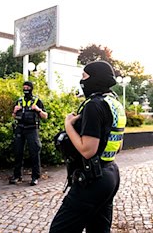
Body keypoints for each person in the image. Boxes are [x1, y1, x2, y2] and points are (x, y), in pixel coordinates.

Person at [49, 61, 126, 233]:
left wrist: (68, 125)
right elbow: (118, 146)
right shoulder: (114, 103)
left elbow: (87, 150)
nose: (82, 81)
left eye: (84, 77)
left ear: (95, 79)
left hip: (92, 179)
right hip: (110, 174)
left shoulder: (93, 105)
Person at [10, 81, 48, 186]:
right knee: (18, 152)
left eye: (27, 87)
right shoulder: (19, 101)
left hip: (32, 129)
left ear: (31, 88)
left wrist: (38, 109)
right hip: (20, 128)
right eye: (24, 87)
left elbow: (45, 116)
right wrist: (14, 111)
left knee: (34, 152)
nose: (25, 89)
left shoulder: (37, 101)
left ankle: (35, 177)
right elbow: (14, 116)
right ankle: (17, 176)